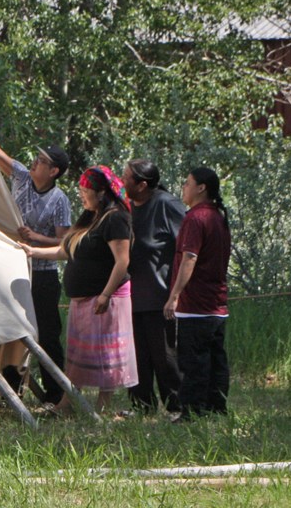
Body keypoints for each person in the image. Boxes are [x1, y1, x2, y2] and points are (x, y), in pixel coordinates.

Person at [0, 108, 71, 405]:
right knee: (10, 330)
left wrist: (35, 238)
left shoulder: (59, 201)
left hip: (41, 274)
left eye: (42, 161)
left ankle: (56, 394)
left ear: (53, 171)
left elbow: (65, 244)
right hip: (12, 269)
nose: (35, 162)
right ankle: (11, 389)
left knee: (46, 333)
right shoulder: (20, 176)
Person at [27, 166, 137, 413]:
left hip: (104, 298)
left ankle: (103, 406)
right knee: (79, 354)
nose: (81, 195)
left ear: (100, 193)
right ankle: (67, 404)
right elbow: (65, 251)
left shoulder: (115, 218)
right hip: (83, 299)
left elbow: (122, 261)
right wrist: (31, 251)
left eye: (85, 190)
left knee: (105, 353)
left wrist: (106, 294)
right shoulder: (89, 218)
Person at [165, 167, 232, 419]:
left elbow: (189, 258)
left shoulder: (196, 218)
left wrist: (174, 295)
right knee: (216, 360)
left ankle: (192, 411)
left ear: (201, 188)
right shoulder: (217, 216)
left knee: (193, 361)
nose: (184, 187)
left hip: (196, 305)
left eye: (187, 183)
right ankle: (217, 408)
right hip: (217, 304)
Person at [123, 159, 185, 414]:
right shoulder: (127, 208)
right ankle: (141, 405)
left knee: (165, 356)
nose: (122, 180)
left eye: (127, 177)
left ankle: (177, 406)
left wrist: (177, 293)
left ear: (143, 184)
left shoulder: (166, 205)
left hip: (160, 297)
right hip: (130, 296)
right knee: (136, 356)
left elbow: (187, 248)